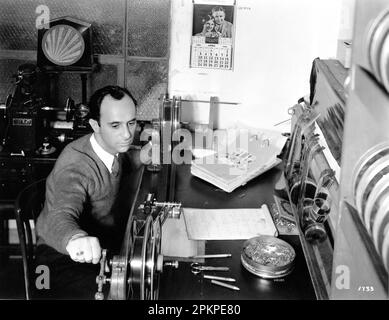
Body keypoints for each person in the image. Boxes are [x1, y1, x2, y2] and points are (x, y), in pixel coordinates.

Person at [34, 85, 138, 299]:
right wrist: (76, 238)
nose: (127, 134)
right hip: (59, 258)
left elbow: (122, 164)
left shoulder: (112, 147)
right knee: (120, 294)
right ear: (95, 125)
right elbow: (60, 214)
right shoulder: (75, 166)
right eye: (115, 125)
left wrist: (144, 156)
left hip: (100, 249)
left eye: (131, 123)